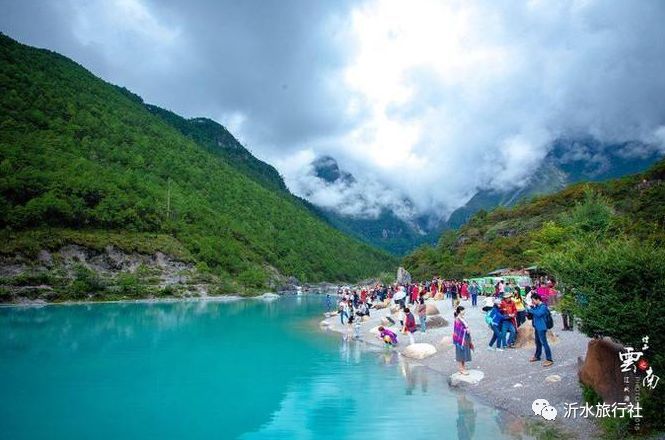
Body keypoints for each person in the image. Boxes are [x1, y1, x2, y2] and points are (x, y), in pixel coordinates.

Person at [528, 293, 553, 367]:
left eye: (533, 300)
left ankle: (549, 359)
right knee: (538, 342)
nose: (532, 302)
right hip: (537, 327)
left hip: (542, 327)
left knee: (544, 343)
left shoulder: (543, 307)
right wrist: (531, 309)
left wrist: (530, 310)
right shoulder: (537, 306)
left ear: (538, 299)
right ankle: (537, 356)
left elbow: (539, 314)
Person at [453, 306, 472, 375]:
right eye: (463, 310)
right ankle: (461, 368)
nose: (464, 311)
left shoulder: (461, 318)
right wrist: (465, 330)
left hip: (465, 337)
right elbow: (457, 329)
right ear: (460, 311)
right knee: (460, 353)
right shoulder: (457, 319)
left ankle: (463, 367)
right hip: (460, 338)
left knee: (464, 352)